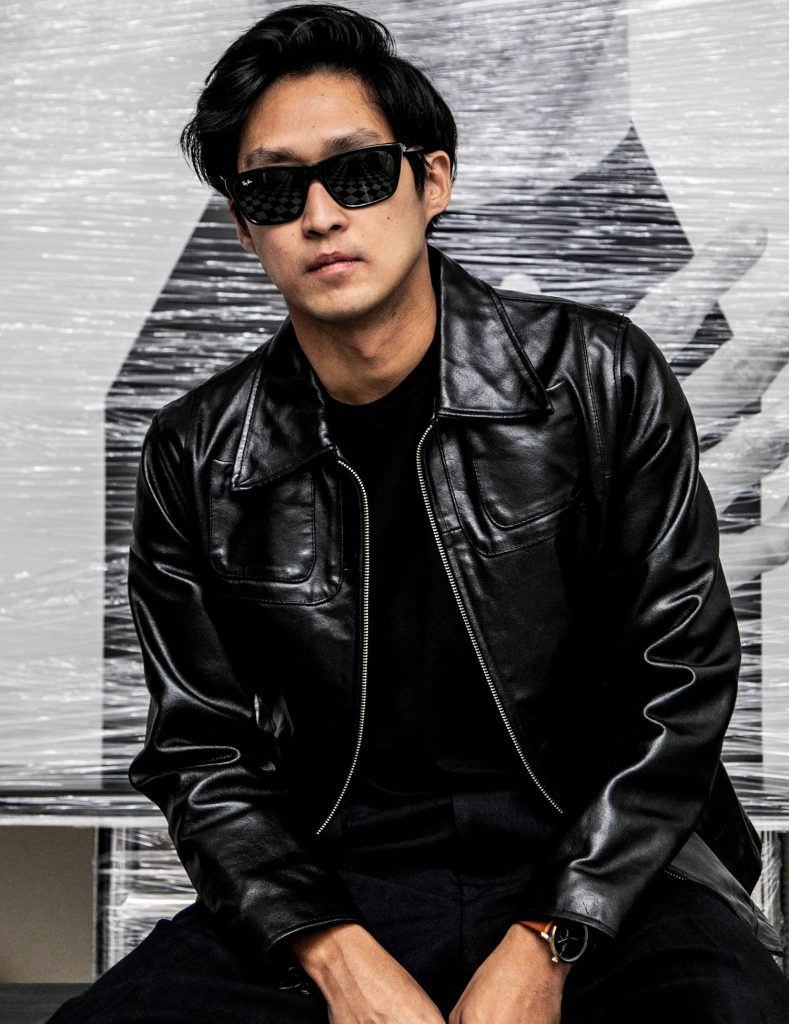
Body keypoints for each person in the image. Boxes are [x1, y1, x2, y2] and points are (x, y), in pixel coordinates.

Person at [49, 4, 789, 1022]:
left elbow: (679, 683)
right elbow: (201, 752)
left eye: (357, 173)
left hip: (602, 863)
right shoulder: (197, 450)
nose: (320, 215)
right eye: (274, 189)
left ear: (430, 181)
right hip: (337, 874)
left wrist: (552, 936)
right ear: (243, 226)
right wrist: (333, 952)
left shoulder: (602, 375)